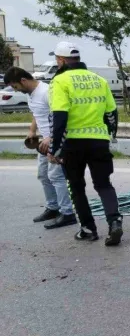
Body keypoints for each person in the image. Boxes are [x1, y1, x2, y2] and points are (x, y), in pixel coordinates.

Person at [46, 41, 123, 246]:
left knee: (76, 187)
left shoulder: (60, 81)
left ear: (61, 60)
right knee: (104, 184)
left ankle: (88, 229)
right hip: (99, 141)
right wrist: (111, 135)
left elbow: (59, 116)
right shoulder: (99, 80)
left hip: (73, 143)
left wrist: (55, 148)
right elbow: (112, 113)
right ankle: (114, 221)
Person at [3, 67, 77, 229]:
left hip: (56, 140)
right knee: (43, 175)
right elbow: (37, 114)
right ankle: (53, 208)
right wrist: (32, 131)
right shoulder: (30, 95)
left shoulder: (46, 92)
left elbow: (61, 116)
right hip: (43, 142)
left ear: (23, 80)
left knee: (56, 176)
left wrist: (52, 137)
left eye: (15, 86)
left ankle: (67, 213)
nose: (16, 90)